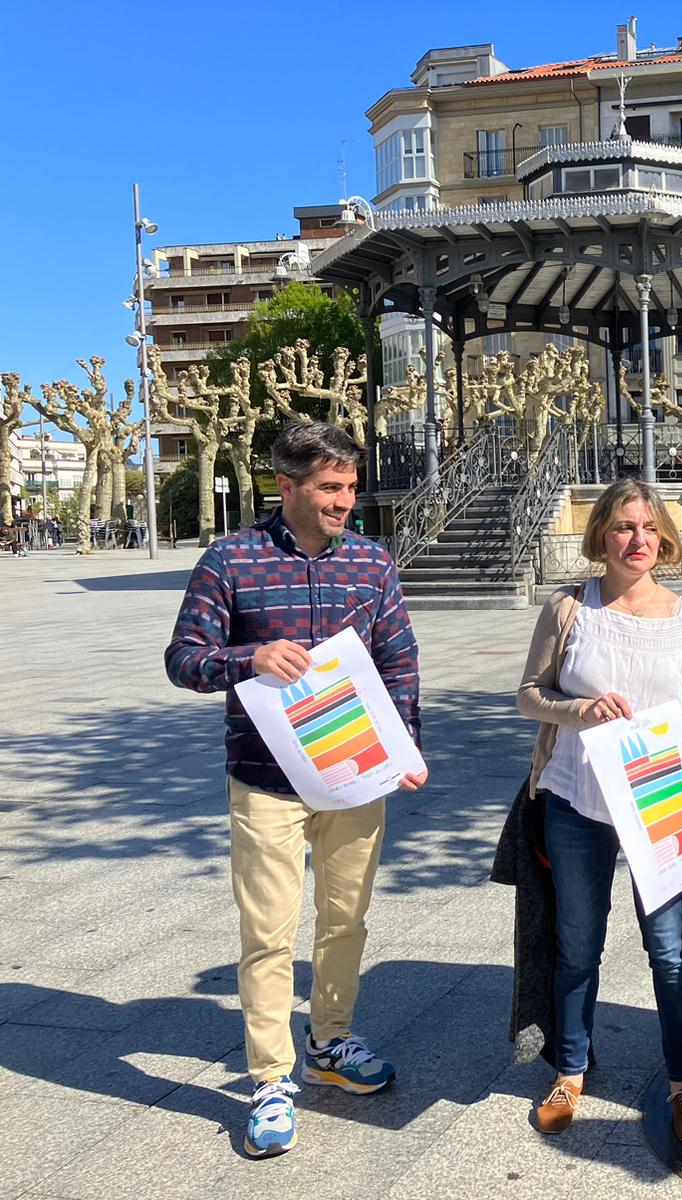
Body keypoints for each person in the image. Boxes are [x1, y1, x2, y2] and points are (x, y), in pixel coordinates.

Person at [164, 422, 425, 1159]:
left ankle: (331, 1042)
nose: (347, 500)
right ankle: (271, 1077)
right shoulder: (231, 560)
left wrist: (406, 749)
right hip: (265, 781)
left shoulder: (373, 564)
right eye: (331, 488)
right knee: (269, 933)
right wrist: (249, 658)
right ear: (288, 485)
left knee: (346, 921)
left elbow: (399, 664)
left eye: (350, 486)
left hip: (355, 776)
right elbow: (183, 658)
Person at [516, 477, 682, 1143]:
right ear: (602, 537)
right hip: (578, 800)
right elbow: (530, 694)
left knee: (669, 949)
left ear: (664, 536)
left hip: (662, 805)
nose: (637, 539)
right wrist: (575, 709)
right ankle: (572, 1067)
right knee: (578, 945)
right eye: (622, 527)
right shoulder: (568, 609)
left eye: (648, 528)